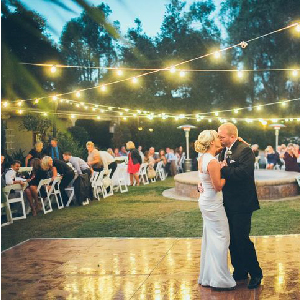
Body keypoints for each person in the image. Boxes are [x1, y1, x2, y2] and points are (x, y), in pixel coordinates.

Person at [218, 122, 262, 289]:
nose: (219, 139)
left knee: (241, 239)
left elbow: (244, 174)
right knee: (232, 240)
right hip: (228, 202)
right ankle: (240, 271)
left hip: (243, 203)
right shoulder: (223, 149)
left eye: (221, 136)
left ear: (232, 136)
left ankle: (256, 273)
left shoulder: (244, 150)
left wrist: (224, 169)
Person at [195, 130, 236, 290]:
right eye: (217, 138)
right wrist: (227, 173)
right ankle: (220, 280)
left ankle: (208, 276)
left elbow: (204, 179)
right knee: (222, 238)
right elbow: (218, 185)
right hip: (213, 203)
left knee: (211, 239)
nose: (220, 139)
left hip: (206, 201)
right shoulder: (211, 161)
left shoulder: (203, 158)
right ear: (212, 142)